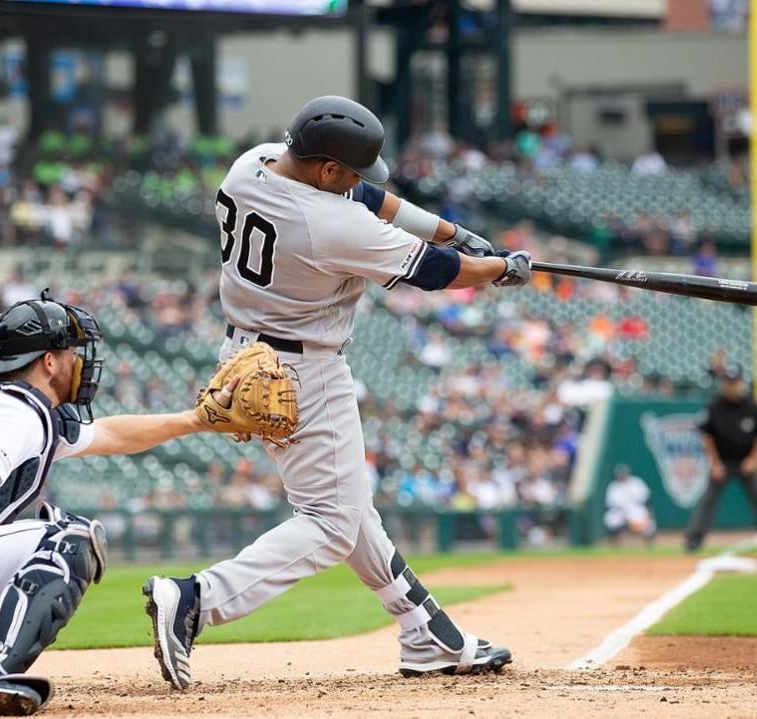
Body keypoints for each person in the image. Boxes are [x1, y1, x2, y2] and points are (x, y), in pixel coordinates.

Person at [143, 95, 530, 690]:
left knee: (349, 510)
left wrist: (454, 231)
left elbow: (370, 198)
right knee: (330, 521)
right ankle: (197, 600)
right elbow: (434, 272)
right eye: (348, 171)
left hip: (250, 356)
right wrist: (499, 268)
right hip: (304, 371)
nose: (357, 182)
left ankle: (425, 631)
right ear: (326, 169)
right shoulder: (328, 224)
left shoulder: (254, 163)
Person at [0, 293, 246, 716]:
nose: (79, 361)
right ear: (49, 361)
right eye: (70, 351)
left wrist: (196, 420)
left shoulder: (2, 404)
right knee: (69, 539)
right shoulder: (17, 409)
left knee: (25, 558)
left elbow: (111, 435)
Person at [685, 367, 757, 552]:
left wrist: (753, 459)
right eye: (728, 382)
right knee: (708, 501)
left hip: (746, 462)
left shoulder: (750, 405)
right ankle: (693, 541)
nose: (732, 386)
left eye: (735, 382)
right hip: (722, 462)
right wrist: (715, 464)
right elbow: (707, 437)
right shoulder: (715, 407)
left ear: (740, 383)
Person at [603, 464, 655, 546]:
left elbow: (646, 499)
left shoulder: (636, 482)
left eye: (623, 473)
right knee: (610, 519)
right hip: (619, 511)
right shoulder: (613, 486)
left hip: (635, 509)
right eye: (620, 474)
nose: (622, 476)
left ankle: (649, 545)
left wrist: (649, 512)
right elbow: (610, 504)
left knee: (648, 524)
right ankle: (614, 543)